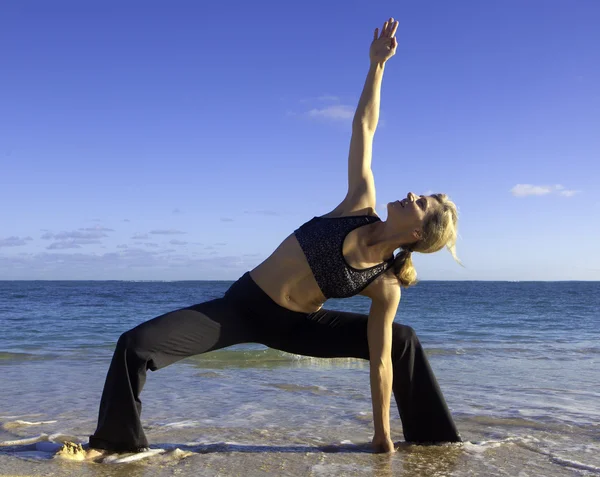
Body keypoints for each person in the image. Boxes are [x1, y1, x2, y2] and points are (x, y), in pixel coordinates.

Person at [88, 17, 461, 455]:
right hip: (242, 307)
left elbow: (380, 363)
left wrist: (381, 435)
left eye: (423, 201)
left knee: (401, 340)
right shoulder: (358, 205)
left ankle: (435, 444)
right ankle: (116, 444)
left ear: (418, 232)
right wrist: (377, 66)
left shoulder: (385, 283)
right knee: (135, 345)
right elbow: (364, 126)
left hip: (299, 328)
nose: (413, 193)